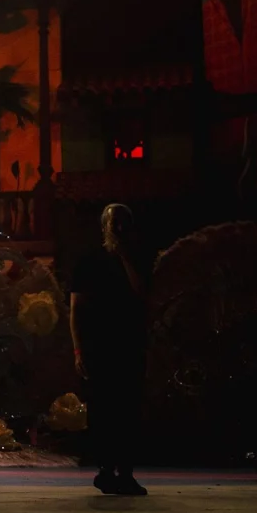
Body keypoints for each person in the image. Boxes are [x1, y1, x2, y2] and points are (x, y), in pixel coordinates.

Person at [69, 203, 150, 496]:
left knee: (128, 410)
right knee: (103, 411)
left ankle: (125, 472)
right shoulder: (89, 262)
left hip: (128, 348)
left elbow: (142, 295)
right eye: (113, 223)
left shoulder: (138, 259)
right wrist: (79, 351)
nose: (118, 229)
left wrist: (125, 258)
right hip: (99, 348)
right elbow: (76, 309)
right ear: (104, 226)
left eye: (123, 223)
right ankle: (105, 470)